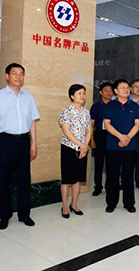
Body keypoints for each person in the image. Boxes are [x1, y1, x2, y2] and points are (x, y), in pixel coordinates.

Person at [0, 63, 40, 230]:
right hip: (5, 141)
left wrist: (34, 143)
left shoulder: (28, 97)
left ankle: (24, 214)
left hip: (24, 141)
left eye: (21, 73)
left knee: (24, 180)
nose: (18, 76)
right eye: (14, 73)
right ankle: (4, 216)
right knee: (5, 181)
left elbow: (32, 122)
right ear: (7, 76)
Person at [103, 79, 139, 213]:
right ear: (116, 91)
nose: (126, 90)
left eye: (127, 87)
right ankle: (111, 203)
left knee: (128, 175)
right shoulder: (110, 106)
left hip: (130, 146)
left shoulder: (134, 106)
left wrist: (128, 138)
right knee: (112, 175)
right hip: (113, 145)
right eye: (122, 87)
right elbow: (107, 124)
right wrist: (120, 137)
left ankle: (129, 203)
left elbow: (137, 124)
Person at [58, 84, 91, 218]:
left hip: (82, 149)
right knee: (67, 179)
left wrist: (85, 145)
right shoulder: (66, 111)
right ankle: (64, 206)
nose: (82, 96)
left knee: (77, 179)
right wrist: (80, 145)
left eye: (83, 93)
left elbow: (89, 130)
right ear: (72, 96)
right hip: (69, 148)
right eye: (79, 93)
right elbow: (66, 131)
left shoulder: (86, 112)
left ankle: (74, 204)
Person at [90, 82, 113, 196]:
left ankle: (110, 186)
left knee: (111, 163)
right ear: (100, 92)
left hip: (112, 135)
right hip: (99, 134)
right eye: (106, 90)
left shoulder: (115, 105)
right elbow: (91, 124)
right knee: (98, 163)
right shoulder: (96, 106)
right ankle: (97, 187)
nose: (109, 92)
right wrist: (91, 138)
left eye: (110, 90)